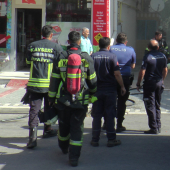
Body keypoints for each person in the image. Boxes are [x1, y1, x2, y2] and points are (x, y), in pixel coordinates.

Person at [48, 31, 97, 167]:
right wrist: (93, 95)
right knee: (77, 128)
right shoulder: (86, 58)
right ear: (80, 42)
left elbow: (55, 80)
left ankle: (64, 147)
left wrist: (51, 98)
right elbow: (92, 81)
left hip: (63, 100)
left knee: (63, 125)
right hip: (80, 101)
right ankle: (73, 158)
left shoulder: (61, 56)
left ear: (68, 42)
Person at [25, 25, 63, 149]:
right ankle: (47, 129)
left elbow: (28, 62)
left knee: (34, 110)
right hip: (50, 85)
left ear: (41, 33)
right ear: (51, 35)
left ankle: (32, 138)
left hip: (34, 84)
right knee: (49, 107)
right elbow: (59, 66)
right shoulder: (56, 47)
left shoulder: (32, 45)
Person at [91, 37, 126, 147]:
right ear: (108, 46)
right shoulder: (112, 56)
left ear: (98, 45)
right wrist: (122, 86)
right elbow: (117, 74)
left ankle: (95, 139)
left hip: (97, 89)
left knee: (96, 115)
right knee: (110, 114)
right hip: (110, 89)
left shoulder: (93, 56)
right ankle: (111, 139)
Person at [137, 39, 168, 134]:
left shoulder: (147, 56)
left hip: (149, 83)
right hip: (159, 82)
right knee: (157, 104)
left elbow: (142, 71)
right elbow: (165, 70)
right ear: (158, 47)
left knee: (150, 105)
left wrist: (138, 83)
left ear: (148, 47)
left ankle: (153, 127)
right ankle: (158, 125)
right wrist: (162, 80)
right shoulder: (163, 56)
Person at [109, 32, 136, 132]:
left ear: (116, 40)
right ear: (126, 42)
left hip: (112, 78)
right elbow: (133, 66)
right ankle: (119, 124)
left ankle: (107, 123)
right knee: (122, 101)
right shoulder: (131, 50)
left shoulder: (111, 49)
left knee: (110, 101)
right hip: (125, 78)